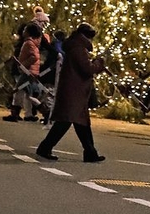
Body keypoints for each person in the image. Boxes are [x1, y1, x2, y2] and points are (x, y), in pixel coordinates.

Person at [36, 22, 106, 162]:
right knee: (67, 121)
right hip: (75, 90)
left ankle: (90, 152)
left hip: (73, 89)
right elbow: (87, 69)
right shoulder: (79, 48)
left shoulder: (74, 45)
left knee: (81, 123)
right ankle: (45, 147)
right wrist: (99, 63)